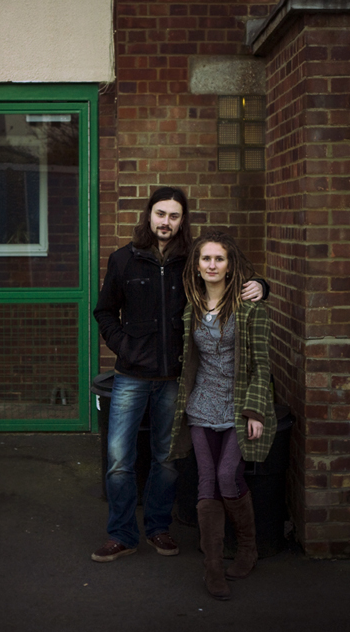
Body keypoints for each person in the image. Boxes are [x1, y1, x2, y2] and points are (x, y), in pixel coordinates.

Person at [92, 187, 268, 563]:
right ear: (149, 215)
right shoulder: (123, 260)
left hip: (175, 377)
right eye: (160, 214)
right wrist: (123, 346)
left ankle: (158, 527)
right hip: (131, 375)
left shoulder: (191, 260)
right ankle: (121, 534)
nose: (166, 222)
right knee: (119, 458)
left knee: (167, 458)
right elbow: (104, 311)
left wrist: (262, 286)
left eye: (174, 216)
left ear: (182, 220)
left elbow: (231, 277)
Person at [167, 229, 277, 600]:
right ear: (196, 266)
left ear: (230, 266)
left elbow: (262, 365)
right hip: (201, 404)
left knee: (229, 475)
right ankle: (213, 566)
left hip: (238, 406)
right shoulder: (191, 309)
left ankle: (247, 549)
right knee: (206, 481)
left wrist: (255, 410)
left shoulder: (250, 308)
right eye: (206, 259)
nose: (212, 265)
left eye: (219, 258)